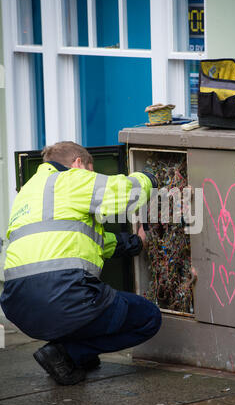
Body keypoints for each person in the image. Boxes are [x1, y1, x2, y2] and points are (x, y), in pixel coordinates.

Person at [0, 141, 161, 385]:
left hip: (18, 306)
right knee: (148, 317)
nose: (94, 178)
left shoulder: (28, 193)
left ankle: (69, 355)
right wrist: (151, 177)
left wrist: (133, 244)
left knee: (79, 313)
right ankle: (68, 353)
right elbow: (124, 193)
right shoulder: (70, 179)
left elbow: (80, 240)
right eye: (92, 171)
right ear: (77, 164)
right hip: (64, 295)